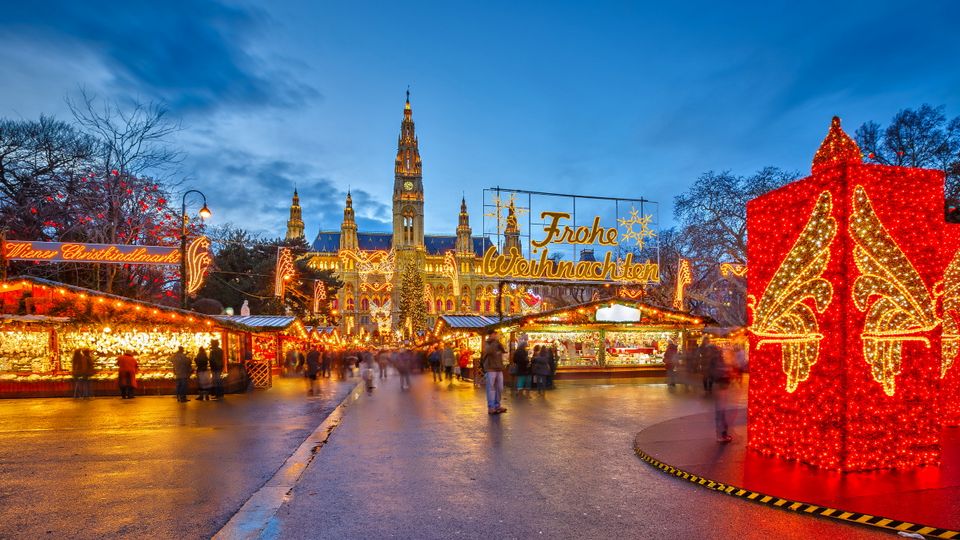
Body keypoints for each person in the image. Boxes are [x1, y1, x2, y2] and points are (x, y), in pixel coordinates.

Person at [708, 337, 733, 443]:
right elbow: (717, 373)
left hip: (719, 385)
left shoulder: (714, 359)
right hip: (720, 386)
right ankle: (721, 435)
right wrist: (725, 371)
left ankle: (721, 433)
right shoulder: (717, 359)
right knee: (720, 412)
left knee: (720, 411)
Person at [481, 330, 507, 415]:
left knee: (499, 388)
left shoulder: (497, 343)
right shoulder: (487, 343)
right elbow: (489, 351)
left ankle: (497, 405)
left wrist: (499, 343)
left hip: (499, 368)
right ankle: (491, 407)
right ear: (491, 335)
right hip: (491, 368)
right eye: (495, 334)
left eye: (497, 334)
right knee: (491, 388)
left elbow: (503, 351)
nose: (496, 336)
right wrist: (495, 342)